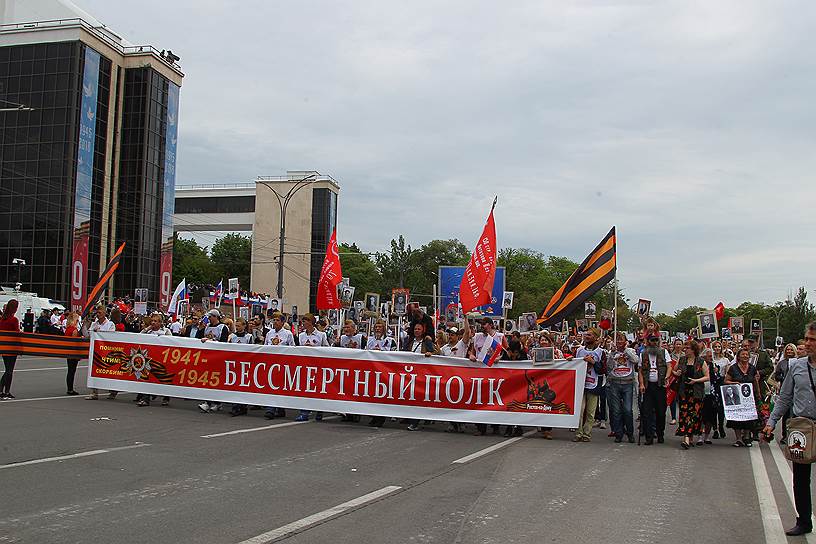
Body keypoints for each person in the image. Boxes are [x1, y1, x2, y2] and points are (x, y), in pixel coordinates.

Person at [763, 322, 816, 536]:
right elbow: (785, 397)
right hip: (802, 426)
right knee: (801, 477)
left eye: (813, 340)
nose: (808, 343)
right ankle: (803, 521)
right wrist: (771, 422)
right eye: (807, 338)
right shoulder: (797, 366)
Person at [401, 321, 439, 432]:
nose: (416, 331)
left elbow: (437, 352)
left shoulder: (426, 341)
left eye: (419, 329)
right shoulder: (409, 341)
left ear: (423, 330)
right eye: (415, 329)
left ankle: (415, 421)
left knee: (417, 397)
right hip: (410, 373)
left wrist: (431, 353)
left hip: (422, 374)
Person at [569, 329, 605, 442]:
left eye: (589, 335)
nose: (586, 336)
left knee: (590, 411)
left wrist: (593, 362)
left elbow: (603, 370)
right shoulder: (579, 350)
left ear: (595, 337)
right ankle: (578, 433)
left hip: (594, 385)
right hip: (580, 384)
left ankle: (587, 434)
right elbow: (573, 363)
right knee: (580, 410)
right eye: (586, 335)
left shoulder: (600, 352)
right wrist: (570, 359)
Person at [672, 340, 709, 449]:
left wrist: (696, 380)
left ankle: (689, 437)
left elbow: (707, 376)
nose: (685, 350)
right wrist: (676, 373)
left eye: (687, 348)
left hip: (696, 392)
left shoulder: (701, 361)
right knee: (684, 414)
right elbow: (674, 371)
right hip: (684, 392)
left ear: (693, 350)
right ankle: (686, 438)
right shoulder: (682, 360)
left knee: (693, 415)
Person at [638, 334, 672, 445]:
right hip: (648, 386)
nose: (655, 342)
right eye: (652, 340)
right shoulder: (643, 354)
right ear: (648, 342)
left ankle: (660, 433)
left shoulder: (663, 352)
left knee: (660, 412)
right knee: (647, 412)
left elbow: (669, 366)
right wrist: (641, 384)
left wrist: (667, 377)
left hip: (660, 386)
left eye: (656, 340)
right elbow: (640, 370)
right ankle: (649, 436)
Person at [725, 347, 761, 447]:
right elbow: (726, 381)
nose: (745, 356)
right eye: (743, 355)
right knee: (737, 418)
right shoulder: (733, 368)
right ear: (738, 357)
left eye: (746, 355)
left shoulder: (752, 368)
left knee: (749, 417)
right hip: (737, 396)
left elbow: (755, 381)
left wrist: (758, 394)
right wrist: (734, 383)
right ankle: (738, 439)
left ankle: (746, 437)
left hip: (749, 397)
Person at [607, 332, 638, 443]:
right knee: (616, 410)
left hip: (627, 383)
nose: (619, 341)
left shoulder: (631, 351)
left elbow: (635, 361)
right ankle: (619, 433)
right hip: (615, 383)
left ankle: (630, 433)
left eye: (621, 339)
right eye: (617, 339)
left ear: (625, 341)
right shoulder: (612, 352)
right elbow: (609, 367)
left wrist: (625, 351)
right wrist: (613, 354)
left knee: (628, 410)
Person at [263, 312, 295, 419]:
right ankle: (270, 408)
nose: (275, 322)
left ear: (282, 322)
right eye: (274, 320)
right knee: (271, 386)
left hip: (282, 363)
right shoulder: (269, 333)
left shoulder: (288, 334)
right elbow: (265, 347)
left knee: (280, 386)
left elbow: (292, 348)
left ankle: (279, 408)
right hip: (271, 363)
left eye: (277, 320)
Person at [136, 313, 171, 407]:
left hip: (162, 359)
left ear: (160, 323)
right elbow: (139, 337)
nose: (153, 323)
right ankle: (145, 398)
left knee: (163, 378)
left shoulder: (166, 331)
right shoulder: (148, 332)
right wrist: (147, 329)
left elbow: (171, 342)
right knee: (147, 377)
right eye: (152, 321)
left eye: (155, 321)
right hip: (149, 359)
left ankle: (166, 397)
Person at [198, 310, 230, 413]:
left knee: (216, 380)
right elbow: (198, 338)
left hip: (218, 357)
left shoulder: (223, 328)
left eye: (210, 317)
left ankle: (217, 402)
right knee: (207, 379)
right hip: (207, 356)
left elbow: (223, 342)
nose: (209, 319)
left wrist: (211, 341)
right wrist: (200, 329)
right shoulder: (207, 327)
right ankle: (207, 401)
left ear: (215, 317)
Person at [85, 305, 117, 400]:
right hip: (96, 352)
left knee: (109, 372)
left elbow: (111, 336)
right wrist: (86, 325)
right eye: (97, 313)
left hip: (107, 352)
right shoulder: (94, 324)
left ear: (104, 314)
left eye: (100, 313)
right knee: (94, 371)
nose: (98, 315)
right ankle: (94, 392)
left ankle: (113, 391)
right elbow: (88, 335)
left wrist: (100, 332)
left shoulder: (110, 324)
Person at [773, 343, 799, 443]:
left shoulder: (798, 362)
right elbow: (776, 375)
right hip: (785, 389)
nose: (789, 351)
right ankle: (784, 435)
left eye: (791, 350)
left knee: (795, 414)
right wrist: (783, 377)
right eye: (787, 350)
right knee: (786, 414)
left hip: (796, 391)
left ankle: (794, 435)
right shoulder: (782, 363)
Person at [0, 299, 21, 399]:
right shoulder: (14, 320)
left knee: (7, 369)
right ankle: (6, 391)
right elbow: (17, 333)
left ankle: (1, 391)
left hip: (4, 347)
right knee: (10, 370)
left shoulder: (2, 319)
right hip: (12, 347)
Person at [63, 311, 81, 395]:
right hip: (73, 353)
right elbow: (75, 344)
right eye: (77, 320)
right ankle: (70, 389)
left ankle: (69, 388)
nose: (78, 321)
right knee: (72, 371)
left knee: (70, 370)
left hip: (68, 352)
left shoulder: (68, 329)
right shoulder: (74, 330)